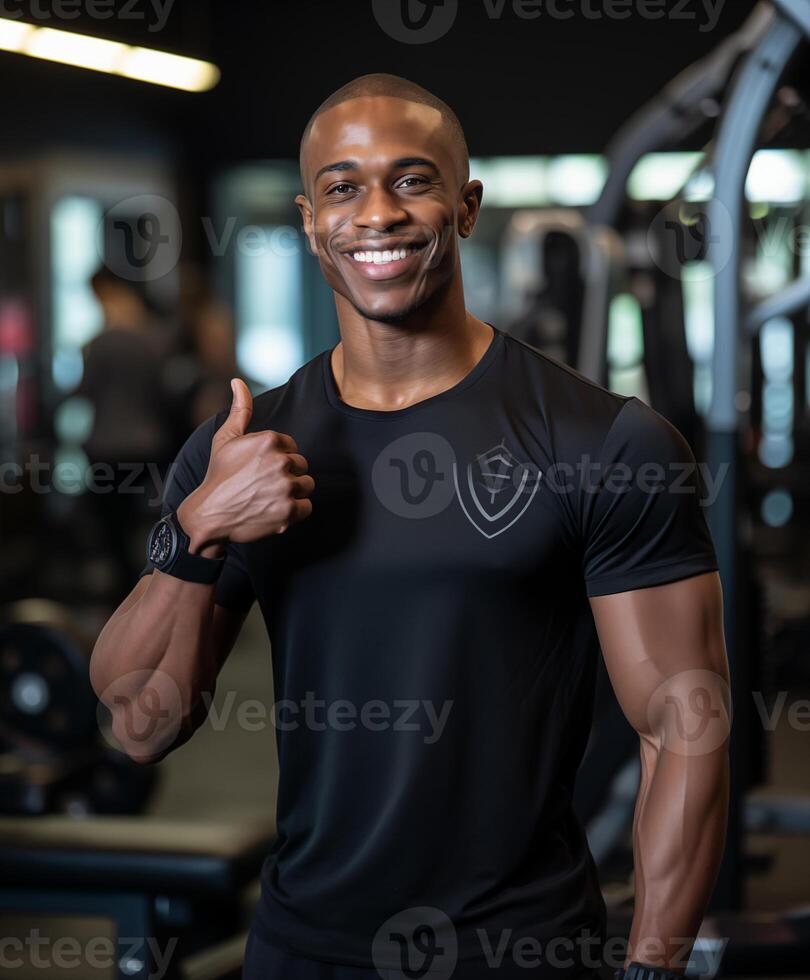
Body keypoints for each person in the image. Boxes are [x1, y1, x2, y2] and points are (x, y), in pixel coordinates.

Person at [89, 75, 730, 980]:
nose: (377, 214)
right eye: (344, 188)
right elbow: (141, 725)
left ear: (466, 207)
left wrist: (652, 971)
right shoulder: (239, 448)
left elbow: (685, 726)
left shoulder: (604, 442)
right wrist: (196, 531)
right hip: (302, 952)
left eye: (412, 180)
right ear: (312, 221)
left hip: (523, 954)